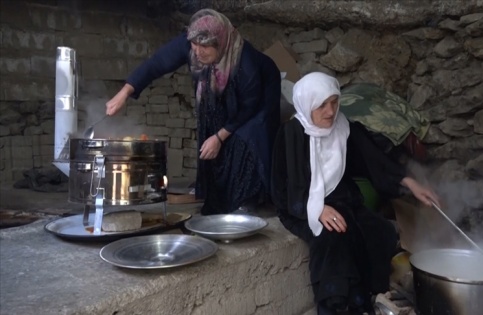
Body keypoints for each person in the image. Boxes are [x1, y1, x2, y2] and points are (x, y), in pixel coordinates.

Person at [270, 72, 439, 314]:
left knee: (379, 230)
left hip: (343, 199)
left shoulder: (344, 128)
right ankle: (334, 306)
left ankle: (364, 298)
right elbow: (281, 187)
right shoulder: (292, 134)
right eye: (322, 105)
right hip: (300, 205)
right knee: (332, 237)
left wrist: (410, 182)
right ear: (307, 105)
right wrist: (316, 208)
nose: (330, 111)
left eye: (334, 102)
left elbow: (374, 160)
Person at [106, 9, 281, 215]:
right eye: (194, 45)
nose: (197, 52)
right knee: (212, 125)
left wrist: (220, 136)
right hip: (223, 88)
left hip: (260, 93)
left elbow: (247, 107)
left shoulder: (246, 62)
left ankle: (250, 199)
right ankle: (219, 196)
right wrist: (125, 92)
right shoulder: (192, 43)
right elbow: (157, 64)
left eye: (205, 46)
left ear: (221, 42)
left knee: (248, 136)